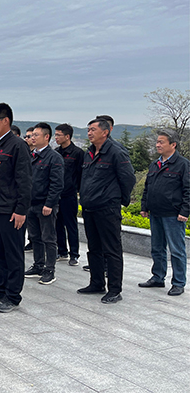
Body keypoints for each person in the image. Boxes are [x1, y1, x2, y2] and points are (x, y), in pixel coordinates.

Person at [0, 103, 32, 313]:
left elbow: (25, 181)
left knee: (13, 254)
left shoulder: (18, 146)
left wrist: (21, 210)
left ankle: (12, 296)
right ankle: (0, 289)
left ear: (6, 121)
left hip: (10, 212)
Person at [77, 118, 135, 304]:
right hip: (90, 208)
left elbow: (128, 178)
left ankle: (115, 290)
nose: (89, 133)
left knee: (112, 249)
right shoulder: (89, 152)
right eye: (88, 130)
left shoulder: (116, 152)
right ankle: (96, 283)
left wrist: (118, 199)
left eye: (93, 130)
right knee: (94, 248)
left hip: (107, 208)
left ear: (105, 132)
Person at [139, 129, 189, 296]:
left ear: (173, 144)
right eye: (157, 142)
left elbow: (188, 190)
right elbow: (148, 187)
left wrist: (185, 211)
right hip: (156, 212)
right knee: (157, 248)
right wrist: (144, 206)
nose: (157, 145)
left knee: (176, 250)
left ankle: (178, 282)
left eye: (161, 142)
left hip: (173, 214)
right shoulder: (155, 164)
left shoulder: (183, 164)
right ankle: (158, 277)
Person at [24, 123, 64, 285]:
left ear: (46, 137)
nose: (32, 138)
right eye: (31, 135)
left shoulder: (54, 157)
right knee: (35, 237)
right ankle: (38, 265)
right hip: (31, 204)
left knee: (49, 238)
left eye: (36, 135)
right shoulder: (31, 156)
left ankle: (49, 269)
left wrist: (49, 204)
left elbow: (57, 184)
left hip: (45, 205)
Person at [54, 123, 84, 266]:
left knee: (71, 225)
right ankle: (62, 251)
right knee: (57, 224)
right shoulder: (55, 152)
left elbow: (81, 174)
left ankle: (74, 254)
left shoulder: (77, 153)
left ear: (67, 136)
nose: (56, 138)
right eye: (55, 135)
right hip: (56, 195)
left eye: (58, 135)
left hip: (69, 195)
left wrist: (77, 189)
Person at [23, 126, 35, 252]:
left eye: (30, 136)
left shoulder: (44, 155)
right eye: (25, 136)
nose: (27, 139)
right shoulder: (24, 153)